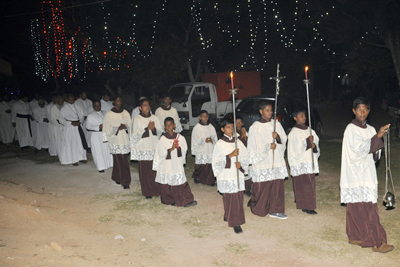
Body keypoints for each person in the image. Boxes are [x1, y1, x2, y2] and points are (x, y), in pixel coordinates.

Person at [340, 97, 393, 253]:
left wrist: (377, 140)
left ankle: (354, 236)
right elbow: (359, 149)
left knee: (359, 206)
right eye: (359, 110)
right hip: (355, 174)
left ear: (368, 111)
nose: (362, 113)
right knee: (366, 209)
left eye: (365, 110)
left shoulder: (370, 129)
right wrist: (377, 137)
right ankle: (377, 242)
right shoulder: (351, 129)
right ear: (354, 111)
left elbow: (373, 153)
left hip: (366, 173)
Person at [247, 101, 289, 219]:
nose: (270, 112)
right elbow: (253, 145)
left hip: (276, 158)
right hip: (263, 160)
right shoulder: (255, 127)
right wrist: (267, 146)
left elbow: (284, 139)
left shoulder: (276, 124)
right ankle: (259, 207)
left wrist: (278, 137)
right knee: (263, 185)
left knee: (277, 184)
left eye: (271, 110)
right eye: (267, 110)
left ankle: (276, 209)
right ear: (261, 111)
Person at [212, 119, 249, 234]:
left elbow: (245, 156)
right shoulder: (220, 144)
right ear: (222, 129)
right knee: (230, 197)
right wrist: (230, 156)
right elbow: (216, 161)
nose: (231, 130)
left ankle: (230, 216)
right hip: (227, 174)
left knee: (237, 197)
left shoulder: (238, 142)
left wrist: (241, 164)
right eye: (228, 127)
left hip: (237, 173)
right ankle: (235, 222)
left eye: (232, 127)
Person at [153, 117, 197, 207]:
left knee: (181, 180)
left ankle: (187, 199)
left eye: (170, 124)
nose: (169, 126)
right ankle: (169, 200)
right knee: (167, 183)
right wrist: (170, 149)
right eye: (166, 125)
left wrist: (179, 148)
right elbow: (160, 152)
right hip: (167, 164)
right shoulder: (162, 139)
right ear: (164, 127)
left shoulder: (180, 137)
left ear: (174, 125)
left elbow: (184, 149)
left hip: (176, 163)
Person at [287, 110, 320, 215]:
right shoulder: (294, 132)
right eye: (301, 116)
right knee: (301, 183)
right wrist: (307, 142)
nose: (304, 117)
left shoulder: (310, 130)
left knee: (308, 184)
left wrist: (313, 144)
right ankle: (305, 205)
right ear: (295, 118)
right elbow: (294, 148)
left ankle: (308, 205)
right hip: (300, 161)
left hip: (309, 160)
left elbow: (316, 141)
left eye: (304, 115)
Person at [131, 98, 162, 197]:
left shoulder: (155, 118)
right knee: (145, 171)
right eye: (144, 105)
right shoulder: (137, 119)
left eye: (148, 105)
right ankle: (147, 192)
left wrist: (154, 129)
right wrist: (146, 129)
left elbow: (160, 132)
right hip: (143, 148)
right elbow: (135, 135)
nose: (147, 107)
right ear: (140, 108)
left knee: (155, 170)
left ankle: (157, 190)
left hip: (153, 147)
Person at [102, 95, 132, 189]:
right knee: (119, 160)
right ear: (113, 102)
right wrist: (117, 128)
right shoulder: (109, 114)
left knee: (123, 160)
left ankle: (117, 177)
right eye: (117, 101)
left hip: (124, 139)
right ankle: (125, 181)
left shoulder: (125, 113)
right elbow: (106, 128)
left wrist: (125, 126)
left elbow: (130, 125)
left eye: (120, 101)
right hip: (115, 140)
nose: (119, 102)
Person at [58, 94, 88, 166]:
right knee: (71, 143)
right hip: (69, 128)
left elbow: (81, 116)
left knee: (80, 142)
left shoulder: (77, 107)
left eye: (72, 99)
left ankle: (81, 157)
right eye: (70, 99)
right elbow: (61, 119)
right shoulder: (64, 108)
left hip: (77, 126)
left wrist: (80, 122)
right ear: (67, 99)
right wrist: (70, 123)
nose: (71, 101)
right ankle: (73, 159)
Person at [191, 110, 217, 185]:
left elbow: (215, 137)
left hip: (209, 148)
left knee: (209, 165)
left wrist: (212, 140)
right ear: (200, 117)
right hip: (201, 149)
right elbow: (195, 139)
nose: (205, 118)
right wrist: (203, 140)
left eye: (206, 116)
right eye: (203, 116)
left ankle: (210, 180)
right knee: (200, 165)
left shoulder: (211, 127)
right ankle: (197, 177)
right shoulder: (197, 127)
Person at [86, 100, 113, 173]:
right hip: (97, 135)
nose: (98, 107)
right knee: (98, 151)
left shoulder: (105, 113)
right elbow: (88, 126)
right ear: (93, 106)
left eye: (99, 105)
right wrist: (98, 127)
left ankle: (109, 163)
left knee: (107, 149)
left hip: (105, 134)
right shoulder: (90, 115)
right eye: (96, 106)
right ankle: (100, 166)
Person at [236, 116, 252, 196]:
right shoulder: (233, 133)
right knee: (241, 173)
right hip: (239, 156)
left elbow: (250, 144)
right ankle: (241, 189)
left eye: (240, 122)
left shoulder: (246, 132)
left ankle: (248, 188)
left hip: (246, 155)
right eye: (236, 122)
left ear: (243, 123)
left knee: (248, 172)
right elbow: (238, 143)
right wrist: (242, 135)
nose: (238, 124)